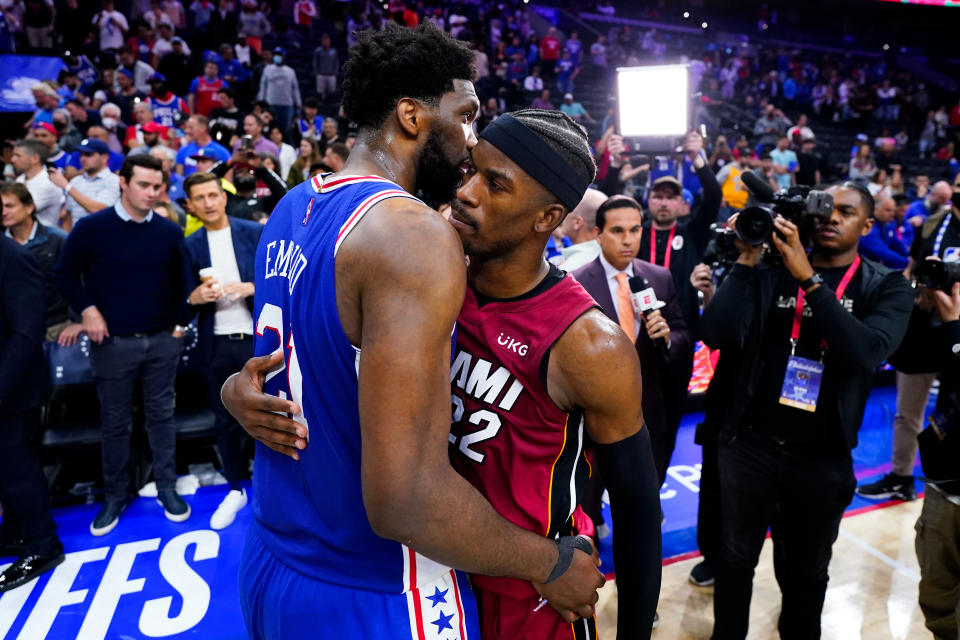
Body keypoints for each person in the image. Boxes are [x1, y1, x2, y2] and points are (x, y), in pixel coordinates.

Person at [218, 23, 605, 639]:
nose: (474, 142)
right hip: (373, 587)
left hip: (270, 559)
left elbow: (286, 365)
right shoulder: (411, 234)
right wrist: (551, 561)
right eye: (467, 116)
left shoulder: (292, 206)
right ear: (410, 116)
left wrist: (229, 391)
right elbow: (405, 498)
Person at [701, 182, 914, 639]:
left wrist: (809, 280)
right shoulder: (769, 271)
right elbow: (716, 333)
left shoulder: (887, 285)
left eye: (847, 211)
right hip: (750, 446)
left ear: (867, 224)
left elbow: (865, 355)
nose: (832, 217)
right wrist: (747, 257)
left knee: (805, 574)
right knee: (735, 561)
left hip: (821, 459)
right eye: (825, 208)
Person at [53, 155, 193, 536]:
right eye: (143, 185)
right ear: (123, 182)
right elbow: (64, 275)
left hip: (162, 341)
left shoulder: (168, 232)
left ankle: (166, 487)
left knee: (161, 418)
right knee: (115, 423)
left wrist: (179, 328)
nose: (151, 193)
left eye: (157, 187)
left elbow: (186, 284)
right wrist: (87, 310)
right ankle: (115, 495)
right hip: (112, 344)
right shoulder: (91, 229)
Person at [573, 194, 691, 486]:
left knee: (645, 494)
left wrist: (667, 337)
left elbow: (682, 334)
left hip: (648, 407)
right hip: (592, 413)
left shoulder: (659, 277)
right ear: (598, 235)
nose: (628, 239)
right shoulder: (575, 282)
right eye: (617, 231)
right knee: (588, 496)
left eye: (635, 230)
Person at [858, 178, 960, 502]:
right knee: (908, 411)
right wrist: (914, 300)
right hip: (927, 324)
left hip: (957, 331)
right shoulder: (932, 224)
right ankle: (901, 478)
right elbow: (914, 267)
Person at [636, 132, 721, 512]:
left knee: (668, 422)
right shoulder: (632, 233)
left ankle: (652, 490)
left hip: (678, 345)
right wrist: (615, 164)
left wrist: (698, 158)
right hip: (632, 340)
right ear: (648, 200)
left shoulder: (691, 234)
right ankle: (612, 489)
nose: (665, 202)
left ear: (682, 204)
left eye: (672, 196)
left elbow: (714, 198)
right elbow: (603, 206)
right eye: (659, 195)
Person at [182, 172, 262, 529]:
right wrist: (194, 298)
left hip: (257, 338)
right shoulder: (190, 244)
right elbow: (180, 299)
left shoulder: (253, 232)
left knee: (272, 414)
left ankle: (274, 485)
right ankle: (235, 485)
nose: (208, 203)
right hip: (215, 343)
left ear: (224, 197)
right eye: (200, 198)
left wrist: (250, 287)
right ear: (191, 205)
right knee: (226, 420)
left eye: (213, 195)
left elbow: (280, 283)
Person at [887, 276, 960, 640]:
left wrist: (955, 332)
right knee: (938, 600)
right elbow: (906, 358)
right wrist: (923, 308)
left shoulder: (956, 331)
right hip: (946, 483)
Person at [0, 234, 64, 594]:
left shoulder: (15, 257)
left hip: (14, 391)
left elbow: (26, 333)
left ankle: (42, 546)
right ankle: (13, 534)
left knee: (17, 470)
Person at [1, 183, 69, 336]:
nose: (3, 212)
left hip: (54, 327)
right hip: (11, 330)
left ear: (29, 207)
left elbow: (76, 281)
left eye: (9, 206)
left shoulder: (57, 240)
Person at [49, 138, 120, 230]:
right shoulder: (75, 181)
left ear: (104, 157)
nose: (83, 159)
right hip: (78, 239)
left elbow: (98, 210)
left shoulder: (113, 180)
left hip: (103, 239)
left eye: (88, 154)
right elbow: (69, 217)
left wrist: (66, 186)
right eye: (81, 155)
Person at [12, 139, 62, 229]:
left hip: (45, 239)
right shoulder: (21, 178)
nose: (12, 159)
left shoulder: (48, 182)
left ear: (35, 158)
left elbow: (21, 210)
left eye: (18, 156)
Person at [557, 187, 606, 271]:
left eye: (568, 211)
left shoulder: (568, 271)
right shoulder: (612, 260)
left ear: (578, 223)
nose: (563, 216)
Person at [858, 196, 909, 270]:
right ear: (875, 210)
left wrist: (909, 256)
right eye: (888, 210)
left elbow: (897, 244)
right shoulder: (867, 228)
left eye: (893, 211)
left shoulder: (888, 225)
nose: (892, 214)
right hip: (862, 270)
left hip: (874, 268)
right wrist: (907, 263)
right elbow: (884, 254)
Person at [257, 48, 301, 132]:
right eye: (275, 55)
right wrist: (261, 102)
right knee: (270, 128)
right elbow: (263, 86)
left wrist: (298, 104)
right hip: (271, 103)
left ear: (284, 56)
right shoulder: (267, 69)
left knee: (286, 129)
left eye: (279, 55)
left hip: (287, 104)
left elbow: (295, 88)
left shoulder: (290, 71)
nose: (277, 57)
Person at [313, 33, 339, 104]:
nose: (326, 42)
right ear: (322, 41)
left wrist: (335, 73)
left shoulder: (334, 51)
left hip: (331, 75)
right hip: (321, 75)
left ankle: (331, 103)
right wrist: (317, 73)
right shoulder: (318, 51)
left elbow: (336, 63)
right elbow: (315, 62)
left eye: (327, 40)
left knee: (332, 92)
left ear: (329, 41)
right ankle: (321, 104)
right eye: (324, 40)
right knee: (320, 94)